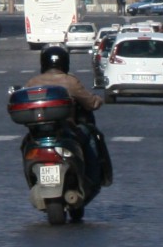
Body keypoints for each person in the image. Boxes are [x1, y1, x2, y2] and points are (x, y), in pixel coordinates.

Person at [21, 44, 112, 186]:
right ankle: (94, 177)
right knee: (92, 137)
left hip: (37, 133)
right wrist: (98, 100)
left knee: (25, 145)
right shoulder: (70, 81)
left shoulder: (33, 82)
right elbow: (90, 103)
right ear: (65, 62)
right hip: (66, 129)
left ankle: (30, 178)